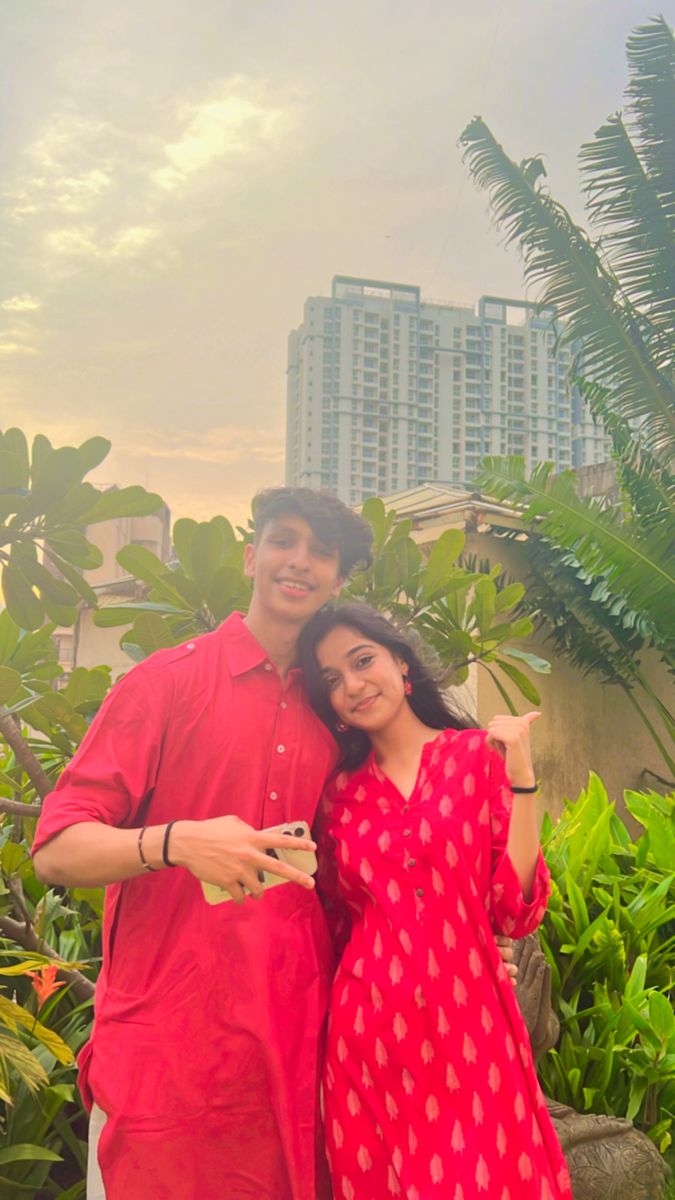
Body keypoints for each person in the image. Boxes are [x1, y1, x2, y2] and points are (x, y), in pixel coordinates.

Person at [32, 487, 373, 1200]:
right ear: (251, 557)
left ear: (339, 581)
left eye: (322, 553)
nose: (299, 561)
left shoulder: (337, 711)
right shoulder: (166, 683)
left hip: (292, 1050)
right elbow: (58, 848)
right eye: (284, 540)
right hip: (167, 1050)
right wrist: (173, 842)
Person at [298, 602, 573, 1200]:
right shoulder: (337, 797)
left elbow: (514, 908)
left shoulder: (474, 758)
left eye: (362, 660)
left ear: (402, 662)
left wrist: (522, 779)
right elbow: (334, 919)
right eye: (332, 680)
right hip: (368, 1034)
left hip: (471, 1025)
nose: (352, 685)